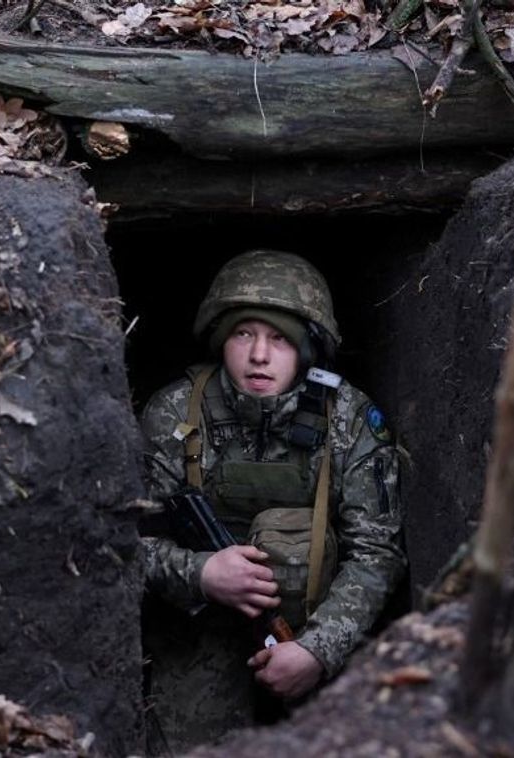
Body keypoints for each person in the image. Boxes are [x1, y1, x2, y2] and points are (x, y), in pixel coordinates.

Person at [138, 250, 406, 750]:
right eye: (244, 334)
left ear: (307, 350)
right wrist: (200, 574)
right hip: (201, 630)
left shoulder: (347, 419)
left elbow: (378, 554)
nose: (259, 355)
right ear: (222, 339)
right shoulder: (175, 413)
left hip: (314, 624)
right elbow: (121, 551)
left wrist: (318, 651)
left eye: (279, 338)